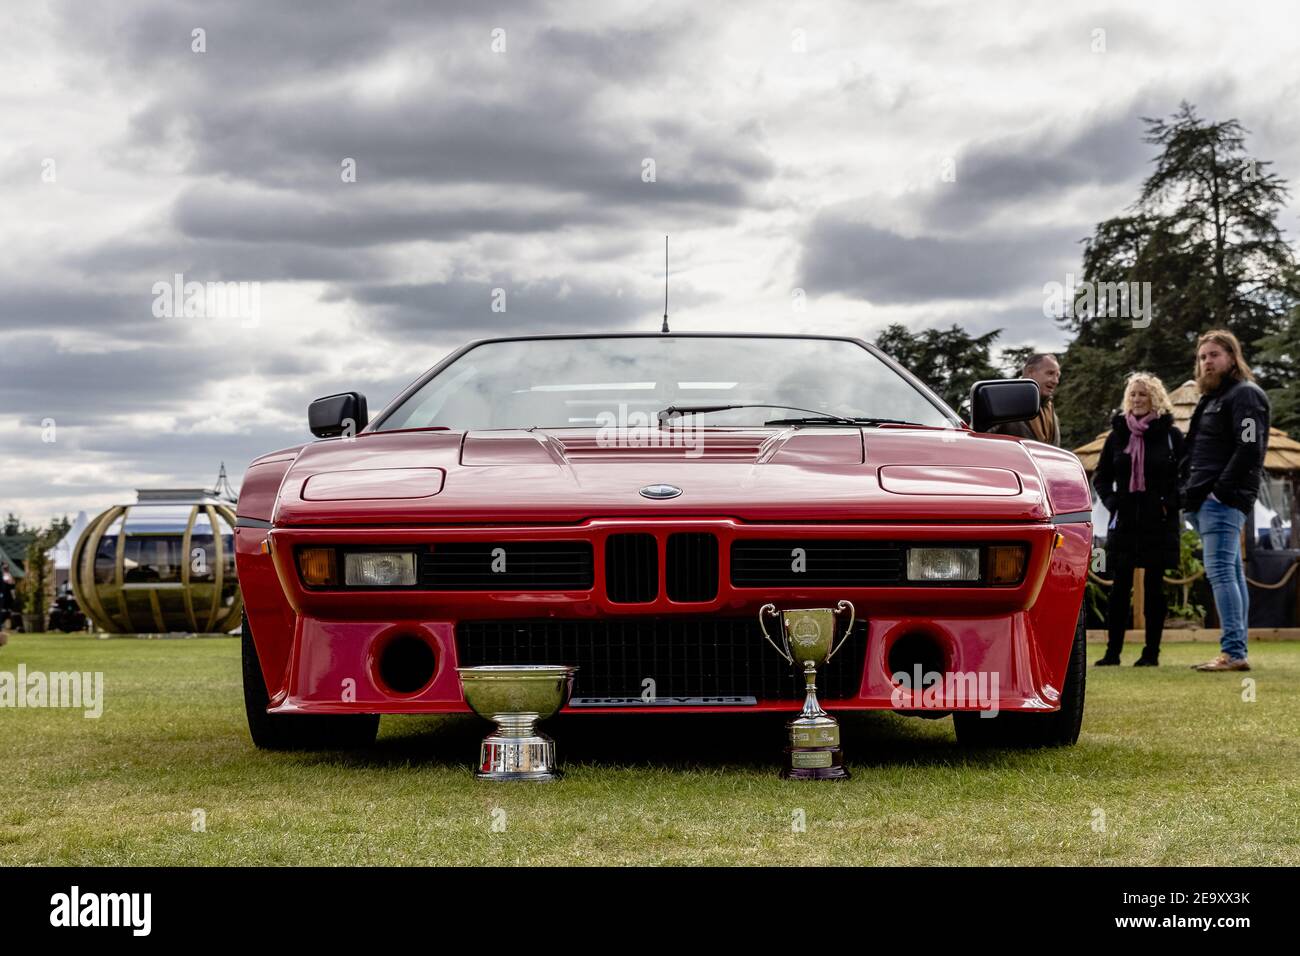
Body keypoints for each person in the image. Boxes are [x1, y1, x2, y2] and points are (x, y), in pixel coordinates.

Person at [1179, 329, 1271, 672]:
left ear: (1232, 358)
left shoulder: (1246, 395)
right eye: (1202, 357)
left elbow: (1250, 448)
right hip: (1206, 500)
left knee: (1220, 573)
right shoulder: (1212, 398)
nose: (1207, 362)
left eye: (1214, 355)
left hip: (1222, 500)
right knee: (1229, 573)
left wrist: (1220, 490)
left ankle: (1233, 653)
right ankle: (1236, 650)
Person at [1092, 373, 1183, 666]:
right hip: (1126, 519)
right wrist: (1112, 502)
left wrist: (1168, 503)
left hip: (1158, 520)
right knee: (1119, 589)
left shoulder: (1171, 436)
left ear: (1155, 397)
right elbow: (1102, 477)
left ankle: (1151, 652)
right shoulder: (1117, 435)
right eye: (1133, 395)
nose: (1137, 400)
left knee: (1155, 589)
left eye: (1143, 394)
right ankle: (1112, 652)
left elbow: (1186, 476)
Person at [987, 353, 1061, 445]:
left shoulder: (1051, 410)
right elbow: (980, 440)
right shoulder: (1006, 402)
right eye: (1050, 373)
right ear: (1030, 372)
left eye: (1058, 375)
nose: (1055, 381)